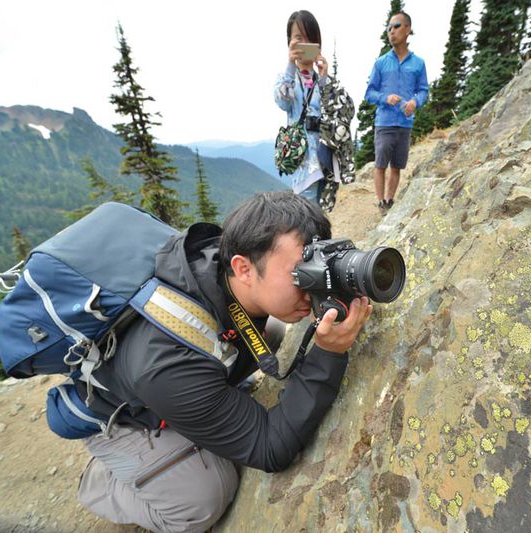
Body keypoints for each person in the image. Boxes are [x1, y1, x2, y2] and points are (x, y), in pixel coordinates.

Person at [75, 191, 373, 532]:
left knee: (273, 330)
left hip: (183, 378)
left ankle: (206, 403)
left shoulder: (228, 275)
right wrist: (329, 353)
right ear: (243, 268)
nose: (311, 281)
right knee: (205, 497)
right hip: (123, 417)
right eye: (299, 273)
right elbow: (269, 447)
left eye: (315, 264)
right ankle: (104, 484)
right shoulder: (167, 362)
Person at [365, 11, 429, 214]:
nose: (391, 31)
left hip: (405, 123)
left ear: (408, 29)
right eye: (389, 28)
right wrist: (385, 98)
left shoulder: (418, 63)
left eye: (396, 26)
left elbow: (424, 91)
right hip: (384, 121)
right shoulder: (381, 62)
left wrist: (415, 102)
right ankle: (380, 202)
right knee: (380, 164)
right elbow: (369, 93)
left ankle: (390, 200)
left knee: (397, 165)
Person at [275, 10, 337, 205]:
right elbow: (283, 101)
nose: (305, 43)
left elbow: (334, 112)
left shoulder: (323, 79)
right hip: (303, 159)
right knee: (307, 213)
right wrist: (290, 65)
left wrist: (325, 77)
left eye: (310, 38)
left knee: (322, 212)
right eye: (298, 38)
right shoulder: (287, 78)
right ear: (289, 42)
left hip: (325, 155)